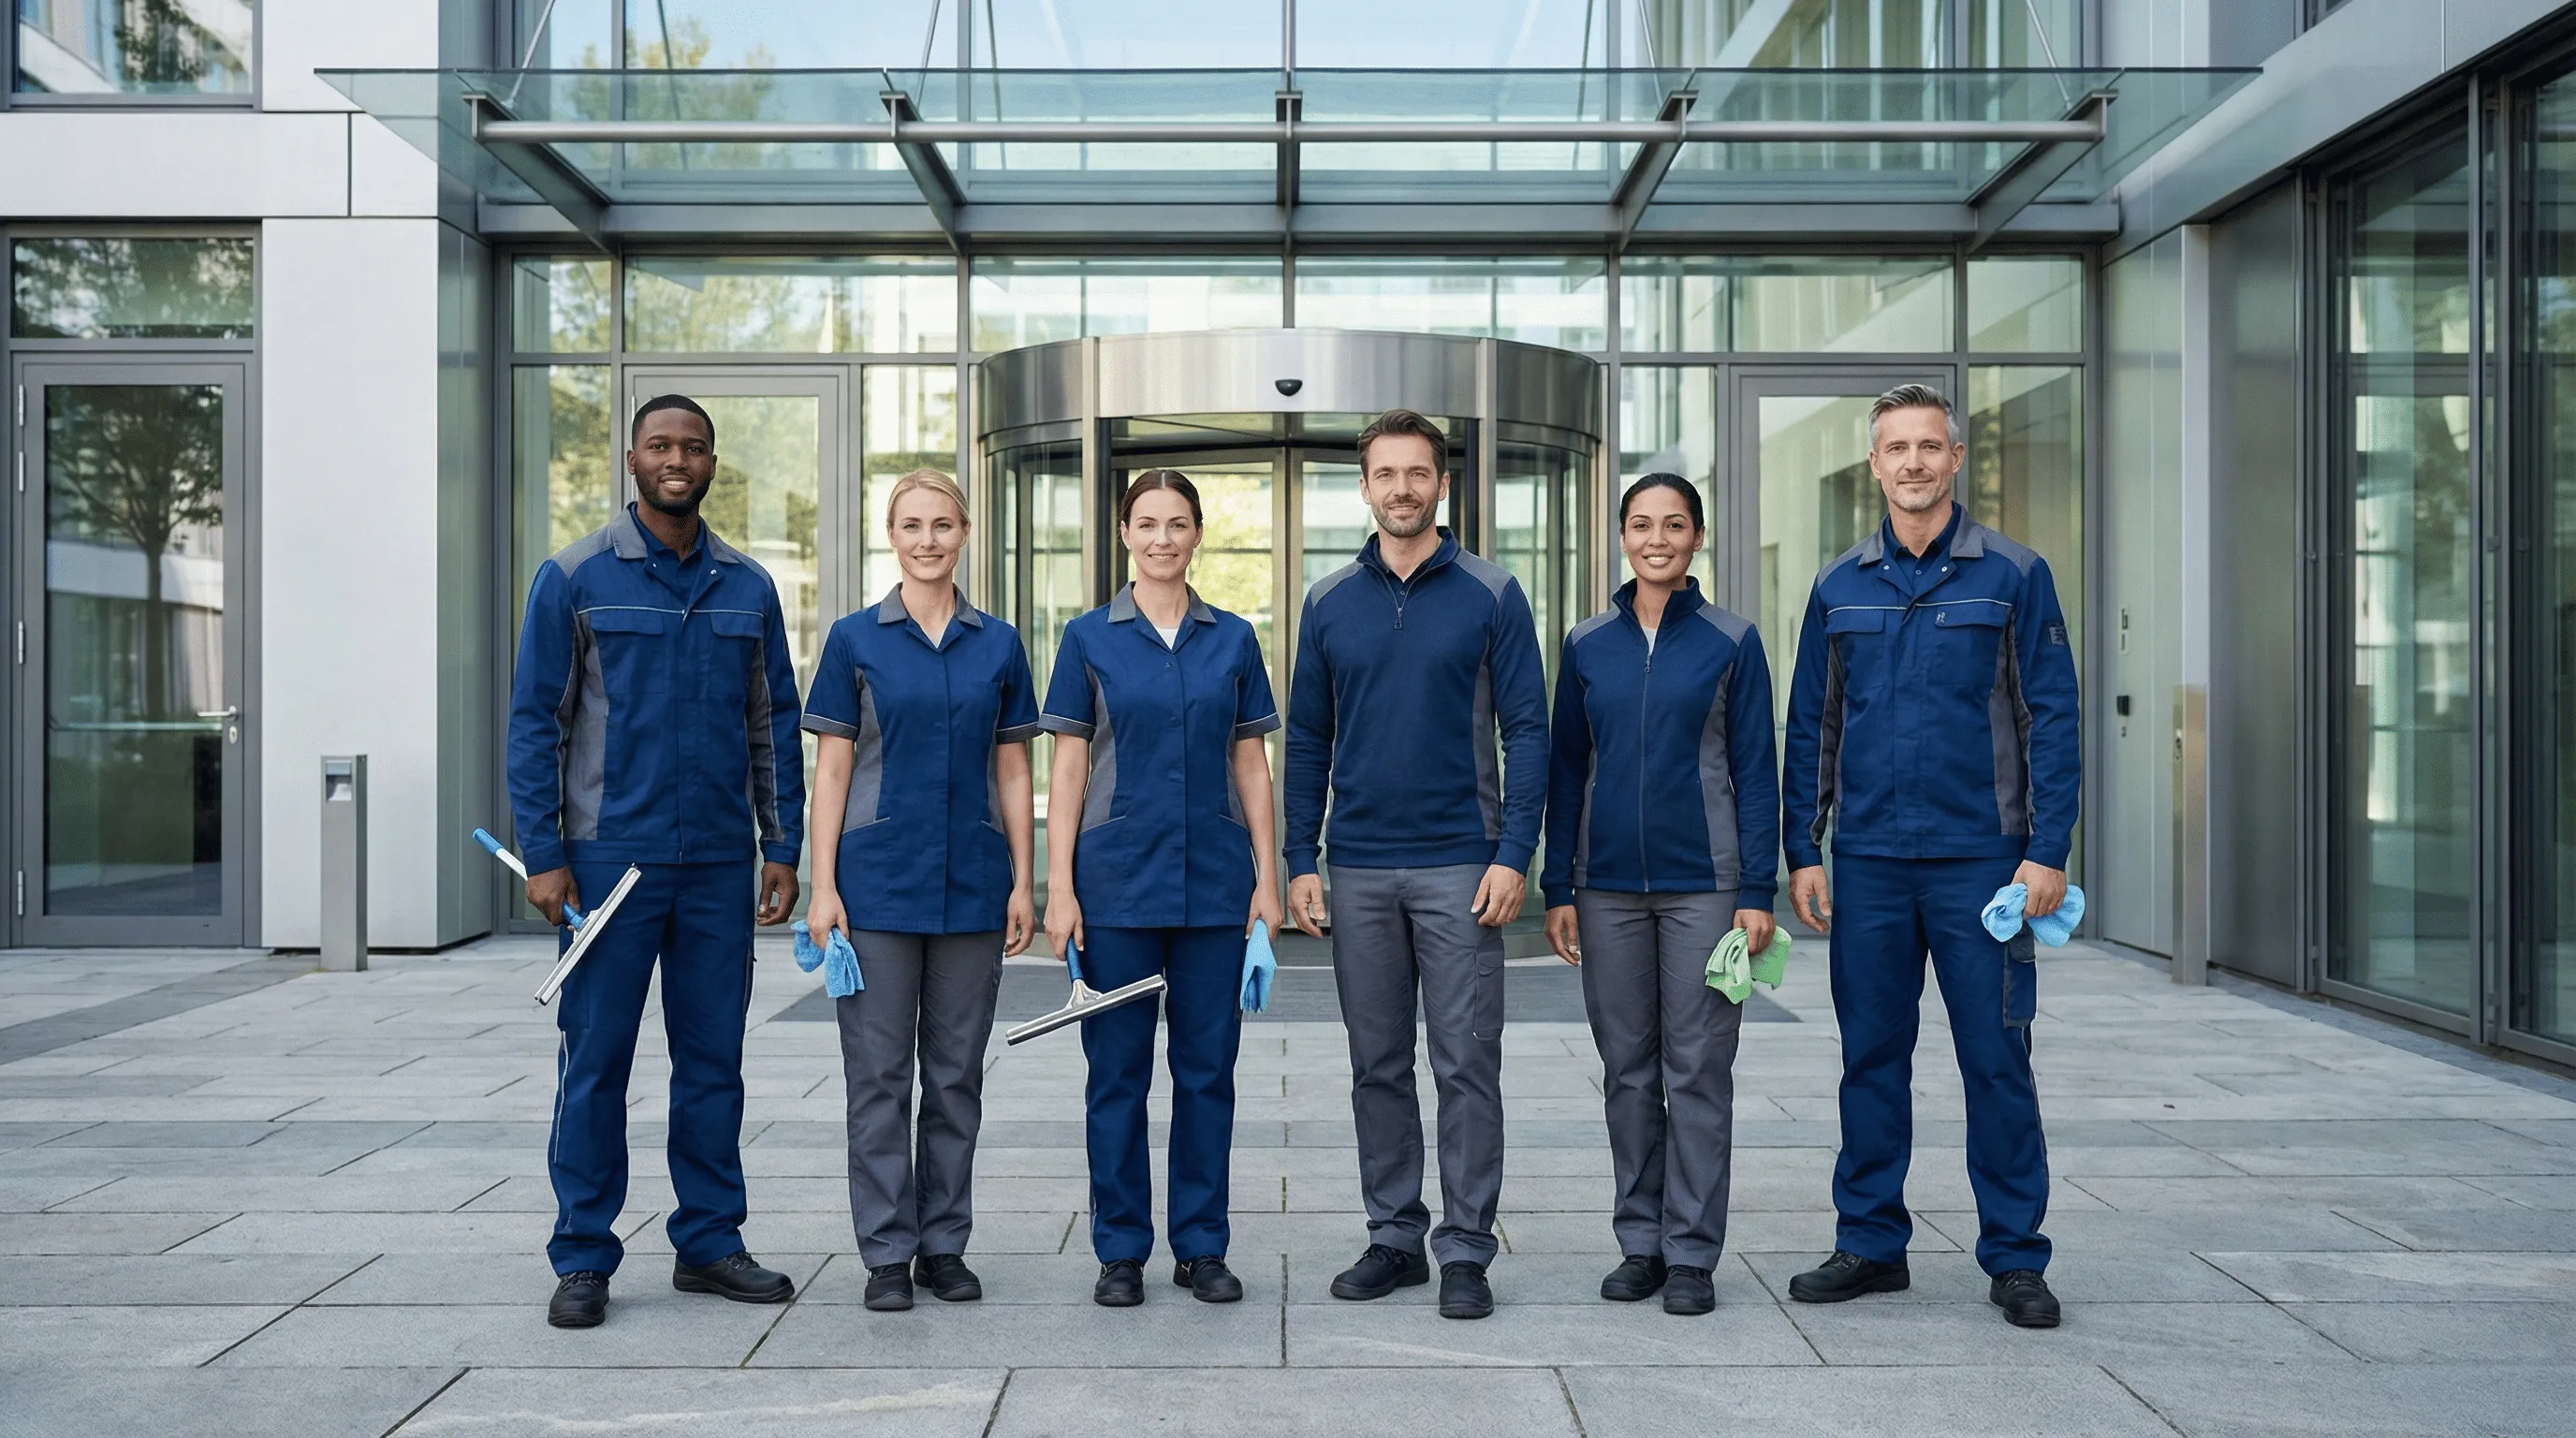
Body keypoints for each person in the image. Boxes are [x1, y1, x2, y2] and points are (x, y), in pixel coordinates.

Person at [1779, 383, 2080, 1329]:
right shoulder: (1838, 585)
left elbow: (2051, 718)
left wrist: (2047, 849)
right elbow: (1812, 725)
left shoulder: (2014, 575)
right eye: (1895, 448)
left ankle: (2015, 1257)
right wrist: (1803, 847)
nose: (1912, 462)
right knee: (1871, 1057)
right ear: (1874, 465)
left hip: (1981, 863)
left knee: (1996, 1058)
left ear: (1955, 458)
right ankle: (1870, 1242)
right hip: (1869, 861)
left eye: (1928, 446)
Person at [506, 394, 807, 1329]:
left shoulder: (748, 587)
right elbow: (535, 722)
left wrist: (781, 844)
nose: (678, 459)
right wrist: (545, 853)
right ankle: (582, 1254)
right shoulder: (574, 578)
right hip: (609, 866)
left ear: (713, 462)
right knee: (595, 1060)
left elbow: (773, 723)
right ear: (633, 459)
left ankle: (709, 1241)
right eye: (660, 445)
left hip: (716, 862)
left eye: (694, 447)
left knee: (713, 1061)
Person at [1284, 409, 1549, 1322]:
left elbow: (1527, 731)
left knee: (1466, 1062)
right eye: (1386, 473)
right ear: (1364, 487)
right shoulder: (1328, 602)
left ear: (1442, 482)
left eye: (1417, 472)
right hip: (1358, 868)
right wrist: (1300, 857)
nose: (1402, 488)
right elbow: (1307, 738)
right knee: (1377, 1064)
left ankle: (1466, 1249)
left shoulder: (1492, 592)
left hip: (1460, 867)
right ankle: (1394, 1237)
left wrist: (1513, 853)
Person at [1041, 470, 1286, 1309]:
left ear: (1197, 534)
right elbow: (1067, 769)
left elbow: (1251, 764)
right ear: (1124, 533)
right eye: (1146, 524)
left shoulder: (1234, 639)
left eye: (1177, 524)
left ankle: (1201, 1246)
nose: (1161, 539)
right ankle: (1119, 1251)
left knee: (1207, 1073)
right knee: (1116, 1075)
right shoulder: (1086, 638)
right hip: (1115, 889)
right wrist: (1060, 887)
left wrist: (1267, 880)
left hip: (1215, 890)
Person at [800, 468, 1043, 1313]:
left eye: (942, 524)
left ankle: (944, 1247)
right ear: (891, 536)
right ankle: (885, 1254)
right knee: (877, 1078)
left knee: (955, 1078)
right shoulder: (853, 640)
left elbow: (1013, 769)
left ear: (964, 533)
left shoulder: (999, 644)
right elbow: (833, 771)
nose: (928, 539)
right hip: (875, 890)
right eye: (912, 525)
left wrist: (1023, 880)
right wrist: (823, 886)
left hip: (973, 887)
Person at [1541, 473, 1778, 1318]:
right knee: (1628, 1072)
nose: (1657, 539)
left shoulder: (1731, 640)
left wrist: (1757, 888)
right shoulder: (1585, 643)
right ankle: (1640, 1243)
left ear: (1697, 538)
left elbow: (1756, 768)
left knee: (1699, 1069)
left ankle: (1692, 1254)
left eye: (1674, 525)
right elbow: (1566, 768)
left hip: (1706, 888)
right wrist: (1557, 884)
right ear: (1621, 538)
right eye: (1642, 525)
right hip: (1604, 888)